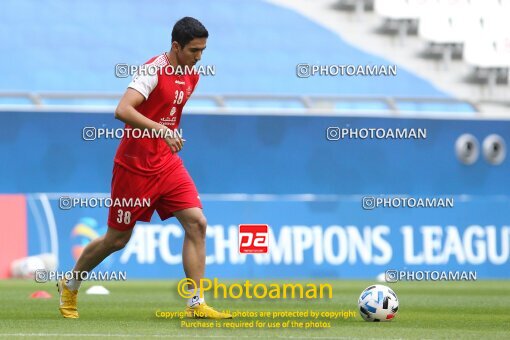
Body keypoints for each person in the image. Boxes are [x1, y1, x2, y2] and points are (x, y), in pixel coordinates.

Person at [57, 16, 231, 320]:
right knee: (117, 239)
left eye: (203, 50)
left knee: (197, 223)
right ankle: (70, 284)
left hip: (166, 163)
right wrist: (161, 131)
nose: (199, 57)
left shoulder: (192, 75)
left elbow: (167, 114)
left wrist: (169, 135)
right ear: (176, 46)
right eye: (193, 50)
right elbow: (122, 110)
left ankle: (196, 304)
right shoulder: (154, 69)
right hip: (134, 167)